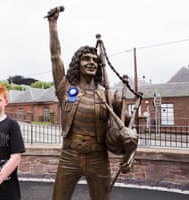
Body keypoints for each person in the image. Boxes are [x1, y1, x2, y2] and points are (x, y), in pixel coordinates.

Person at [46, 7, 137, 200]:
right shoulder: (66, 89)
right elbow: (55, 57)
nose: (91, 62)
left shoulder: (109, 96)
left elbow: (129, 125)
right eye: (86, 59)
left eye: (95, 60)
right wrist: (53, 25)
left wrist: (130, 152)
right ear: (77, 63)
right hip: (69, 156)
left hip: (98, 159)